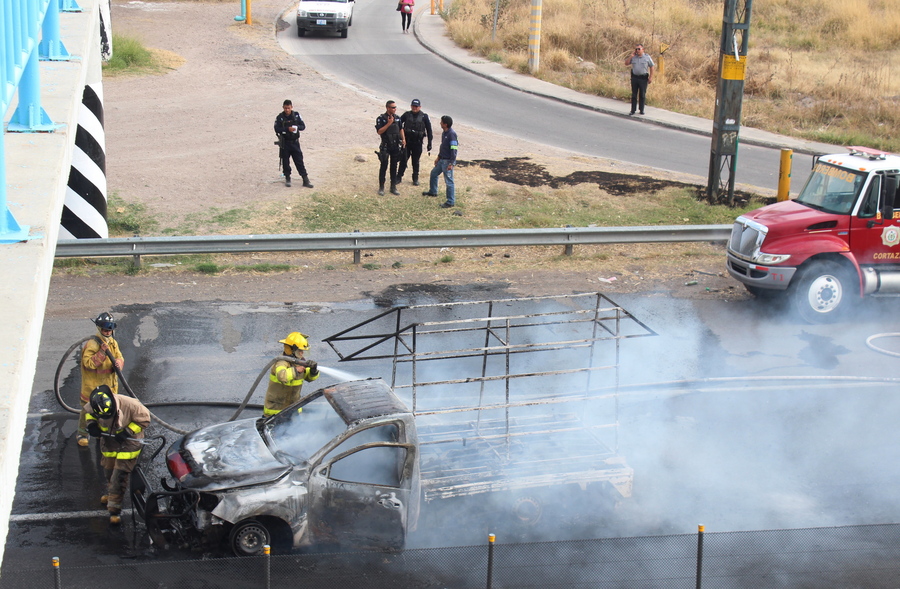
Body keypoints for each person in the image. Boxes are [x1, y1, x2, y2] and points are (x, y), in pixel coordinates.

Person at [84, 384, 150, 524]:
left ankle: (114, 510)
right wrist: (91, 425)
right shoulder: (95, 404)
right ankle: (112, 494)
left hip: (128, 445)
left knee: (118, 476)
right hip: (109, 443)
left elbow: (144, 419)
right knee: (108, 472)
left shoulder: (131, 405)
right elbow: (89, 413)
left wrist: (128, 432)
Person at [77, 312, 125, 447]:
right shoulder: (92, 344)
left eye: (110, 329)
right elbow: (88, 364)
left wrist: (119, 364)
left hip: (109, 386)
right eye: (105, 329)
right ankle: (82, 433)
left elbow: (120, 356)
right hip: (92, 387)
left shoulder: (113, 343)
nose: (108, 331)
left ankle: (102, 434)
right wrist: (102, 353)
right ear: (99, 328)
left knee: (107, 411)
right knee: (87, 411)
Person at [263, 332, 320, 416]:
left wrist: (313, 371)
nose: (302, 353)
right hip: (276, 412)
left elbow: (310, 378)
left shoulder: (300, 362)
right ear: (291, 349)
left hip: (294, 411)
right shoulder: (280, 362)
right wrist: (295, 370)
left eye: (303, 351)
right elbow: (282, 376)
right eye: (300, 351)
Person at [274, 99, 313, 188]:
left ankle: (305, 179)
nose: (287, 110)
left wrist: (296, 127)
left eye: (288, 108)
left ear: (291, 107)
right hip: (285, 143)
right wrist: (287, 129)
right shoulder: (280, 117)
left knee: (299, 161)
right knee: (285, 162)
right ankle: (287, 178)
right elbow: (277, 129)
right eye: (285, 108)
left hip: (295, 142)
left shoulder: (296, 115)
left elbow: (303, 126)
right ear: (283, 108)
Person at [422, 115, 458, 208]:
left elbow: (454, 149)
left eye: (441, 122)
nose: (440, 123)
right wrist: (438, 157)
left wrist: (451, 163)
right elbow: (443, 147)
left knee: (449, 182)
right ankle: (433, 191)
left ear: (445, 124)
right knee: (434, 173)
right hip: (442, 159)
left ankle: (450, 201)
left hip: (447, 162)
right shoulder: (444, 133)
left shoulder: (451, 134)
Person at [397, 99, 433, 187]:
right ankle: (399, 177)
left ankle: (415, 178)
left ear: (420, 107)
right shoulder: (406, 115)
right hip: (407, 142)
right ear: (411, 106)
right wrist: (399, 138)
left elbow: (429, 130)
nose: (414, 108)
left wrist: (429, 143)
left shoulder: (424, 117)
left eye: (416, 106)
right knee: (403, 160)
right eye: (413, 106)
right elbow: (398, 124)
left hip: (417, 143)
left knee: (415, 161)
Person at [375, 100, 405, 196]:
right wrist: (388, 123)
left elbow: (401, 129)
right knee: (384, 166)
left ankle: (393, 187)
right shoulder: (381, 118)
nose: (395, 109)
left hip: (395, 146)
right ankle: (381, 187)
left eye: (395, 107)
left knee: (394, 166)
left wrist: (403, 139)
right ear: (388, 108)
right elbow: (379, 131)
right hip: (386, 146)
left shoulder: (398, 118)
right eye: (393, 107)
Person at [625, 44, 654, 116]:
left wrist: (651, 77)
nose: (637, 51)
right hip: (635, 78)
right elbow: (626, 63)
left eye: (639, 49)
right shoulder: (634, 57)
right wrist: (631, 56)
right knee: (634, 94)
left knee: (642, 94)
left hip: (643, 78)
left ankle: (641, 109)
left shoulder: (647, 57)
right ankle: (633, 110)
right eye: (636, 49)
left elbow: (652, 67)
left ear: (643, 50)